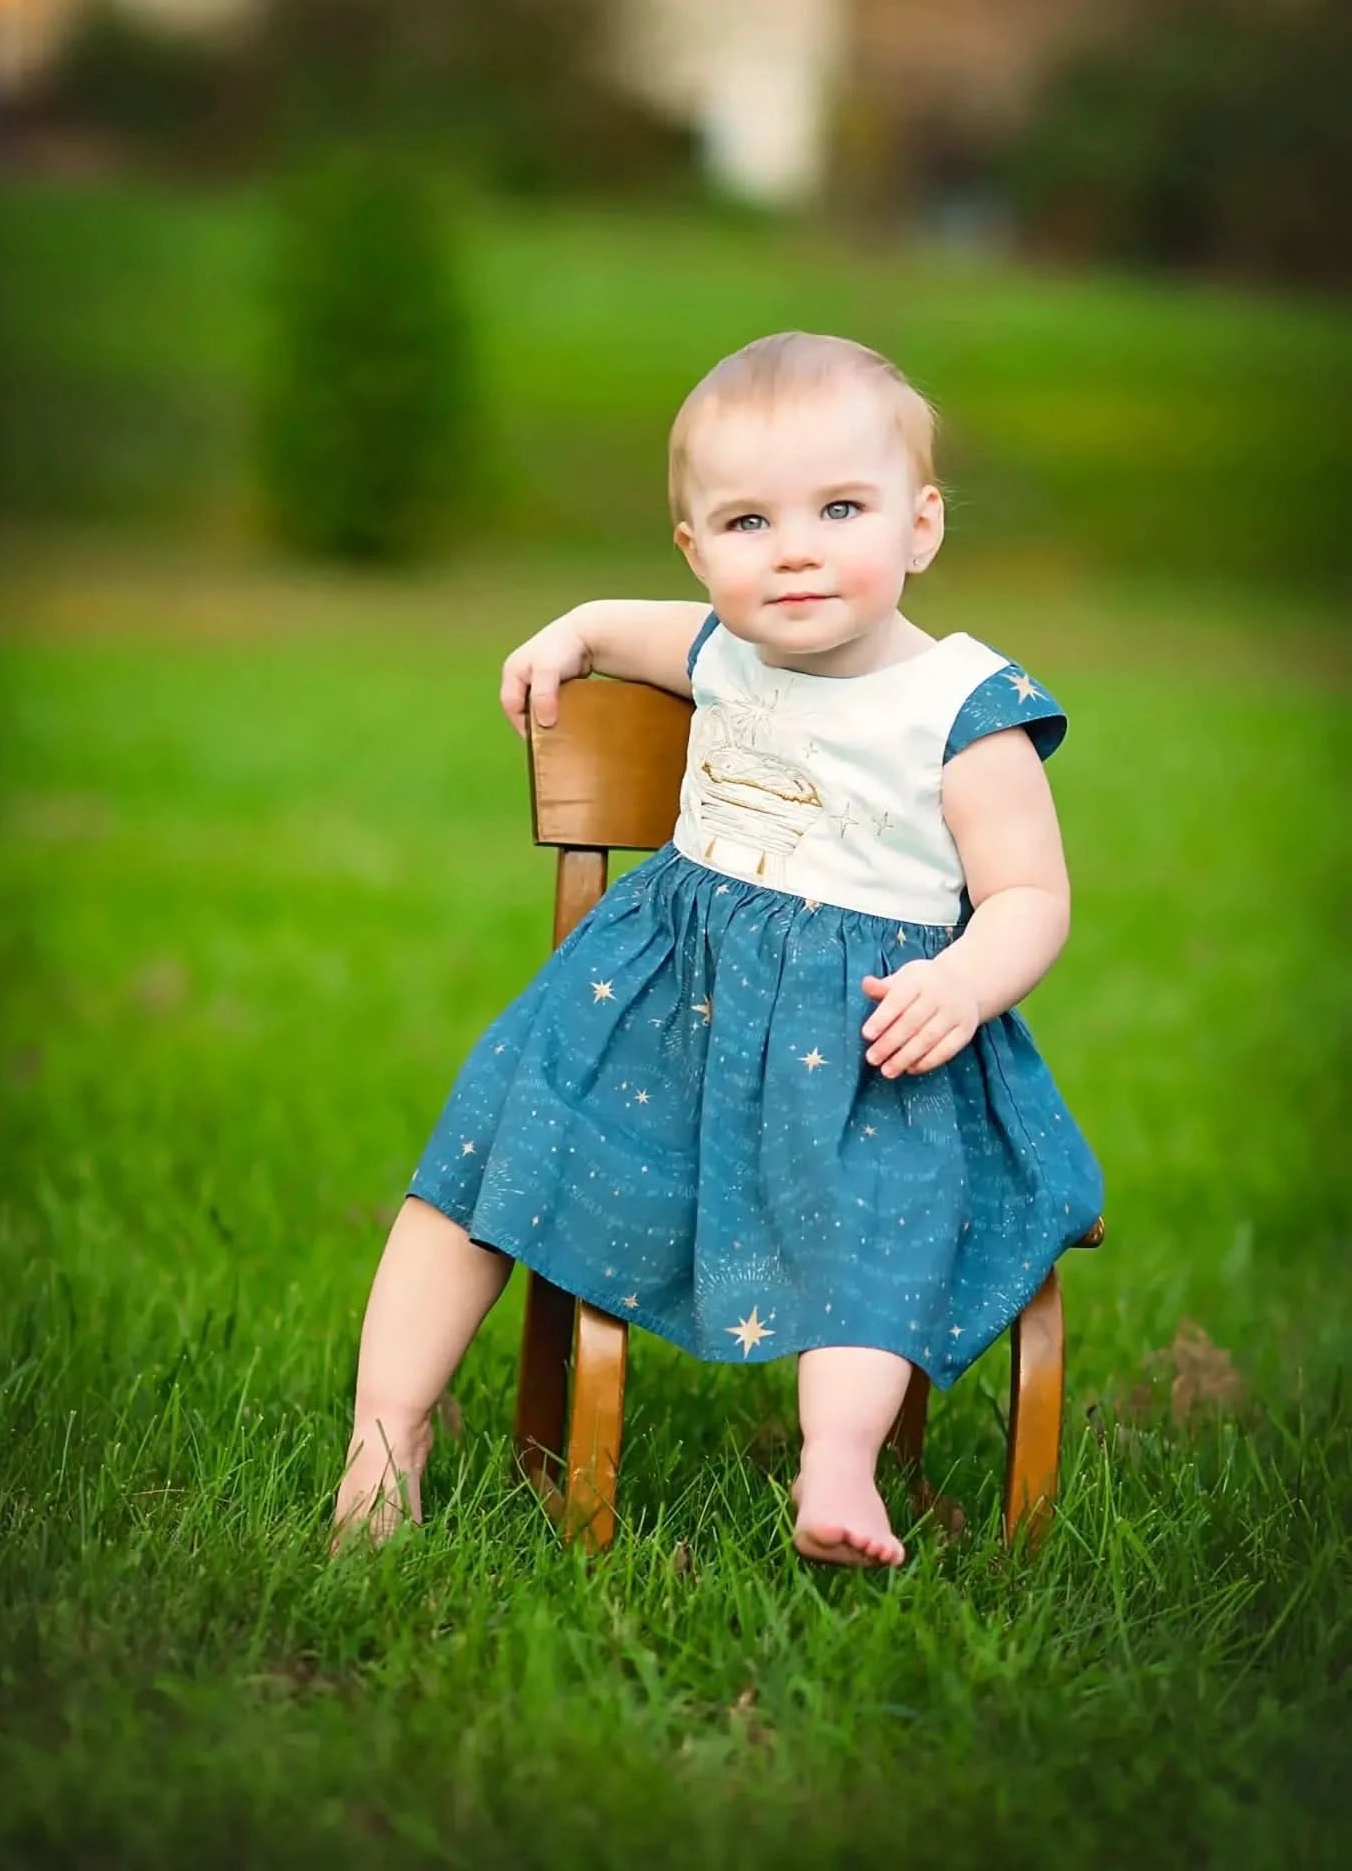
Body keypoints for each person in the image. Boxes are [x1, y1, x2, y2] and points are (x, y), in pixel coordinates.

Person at [333, 331, 1104, 1567]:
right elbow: (622, 626)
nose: (793, 547)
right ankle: (384, 1441)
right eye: (746, 522)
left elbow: (1028, 894)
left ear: (921, 524)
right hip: (648, 1009)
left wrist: (960, 977)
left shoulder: (964, 710)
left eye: (839, 508)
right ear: (696, 551)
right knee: (479, 1156)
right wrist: (567, 631)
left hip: (860, 1035)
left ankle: (837, 1467)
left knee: (877, 1217)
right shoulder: (719, 648)